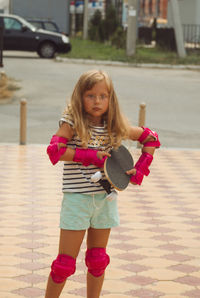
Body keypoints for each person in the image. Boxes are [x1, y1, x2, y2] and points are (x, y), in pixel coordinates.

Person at [45, 69, 160, 298]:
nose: (97, 101)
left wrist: (140, 169)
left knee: (97, 260)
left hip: (105, 200)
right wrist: (89, 156)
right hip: (77, 200)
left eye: (103, 96)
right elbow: (54, 151)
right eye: (90, 95)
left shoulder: (114, 126)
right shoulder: (73, 122)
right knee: (64, 264)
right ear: (80, 97)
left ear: (111, 98)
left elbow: (151, 138)